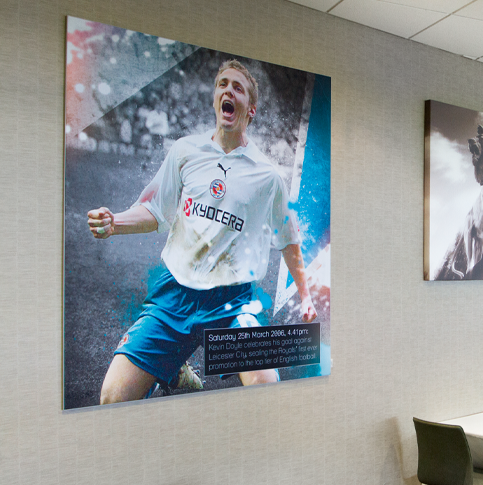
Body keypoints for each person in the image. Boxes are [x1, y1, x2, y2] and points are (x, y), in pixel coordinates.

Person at [88, 59, 317, 404]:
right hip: (173, 296)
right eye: (222, 84)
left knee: (267, 388)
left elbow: (289, 239)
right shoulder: (185, 151)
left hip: (231, 303)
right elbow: (154, 210)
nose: (228, 90)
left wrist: (306, 296)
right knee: (112, 398)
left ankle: (170, 365)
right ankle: (174, 368)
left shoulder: (267, 177)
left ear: (250, 110)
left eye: (237, 87)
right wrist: (114, 222)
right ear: (215, 99)